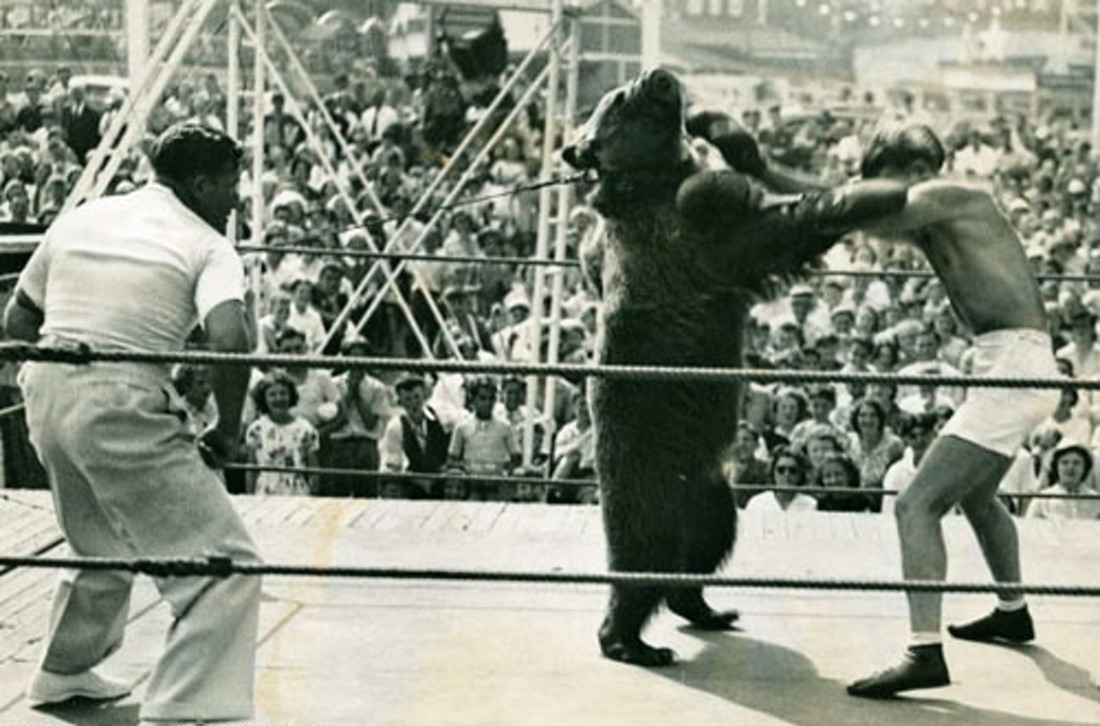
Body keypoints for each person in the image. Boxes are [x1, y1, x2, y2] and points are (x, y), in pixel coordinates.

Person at [4, 124, 261, 723]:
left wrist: (62, 378)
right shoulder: (209, 244)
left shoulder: (84, 216)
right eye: (229, 186)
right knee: (225, 568)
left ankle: (62, 672)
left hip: (45, 389)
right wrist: (227, 430)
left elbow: (19, 317)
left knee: (102, 544)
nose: (235, 200)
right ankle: (186, 711)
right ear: (200, 184)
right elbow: (231, 337)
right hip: (117, 397)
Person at [847, 124, 1062, 698]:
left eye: (885, 179)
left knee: (916, 504)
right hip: (1015, 362)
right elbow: (850, 210)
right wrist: (767, 179)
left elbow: (850, 207)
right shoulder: (937, 220)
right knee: (976, 496)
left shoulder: (952, 194)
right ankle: (1012, 611)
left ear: (916, 168)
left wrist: (761, 183)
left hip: (1014, 366)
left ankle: (924, 653)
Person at [244, 371, 321, 496]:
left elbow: (314, 471)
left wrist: (311, 498)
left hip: (297, 494)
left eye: (283, 393)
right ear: (264, 398)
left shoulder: (305, 428)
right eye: (272, 395)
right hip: (265, 494)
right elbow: (251, 469)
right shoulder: (256, 429)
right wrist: (249, 498)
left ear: (291, 396)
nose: (278, 398)